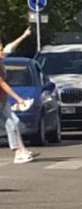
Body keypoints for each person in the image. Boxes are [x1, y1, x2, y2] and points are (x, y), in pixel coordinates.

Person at [2, 26, 36, 164]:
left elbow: (10, 48)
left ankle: (21, 150)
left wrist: (24, 35)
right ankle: (18, 152)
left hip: (2, 100)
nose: (2, 50)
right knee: (11, 123)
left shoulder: (1, 57)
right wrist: (18, 99)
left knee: (13, 122)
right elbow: (2, 84)